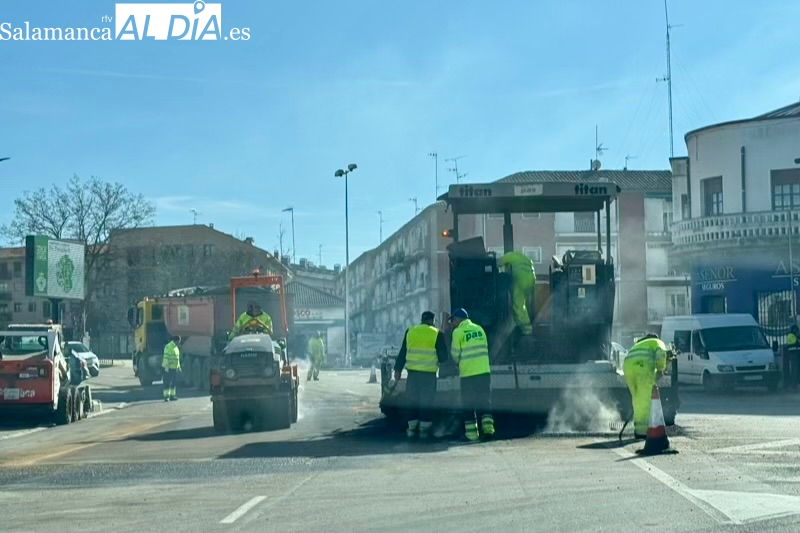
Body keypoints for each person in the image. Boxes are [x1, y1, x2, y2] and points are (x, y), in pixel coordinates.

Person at [394, 311, 449, 439]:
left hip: (412, 375)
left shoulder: (410, 331)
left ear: (422, 320)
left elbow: (402, 353)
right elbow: (443, 358)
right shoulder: (437, 333)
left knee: (412, 400)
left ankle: (412, 428)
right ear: (433, 320)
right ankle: (424, 430)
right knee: (427, 402)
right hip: (429, 376)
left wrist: (397, 371)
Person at [449, 308, 495, 442]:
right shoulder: (479, 329)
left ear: (458, 319)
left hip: (468, 374)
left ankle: (471, 435)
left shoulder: (458, 332)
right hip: (484, 372)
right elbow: (485, 348)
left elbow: (455, 353)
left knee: (468, 404)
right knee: (485, 401)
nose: (452, 323)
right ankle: (488, 431)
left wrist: (457, 364)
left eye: (452, 320)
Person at [623, 333, 668, 439]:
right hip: (642, 367)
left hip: (627, 368)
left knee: (637, 400)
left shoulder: (638, 344)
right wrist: (660, 368)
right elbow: (661, 354)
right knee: (645, 400)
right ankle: (643, 432)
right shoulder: (657, 342)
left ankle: (639, 430)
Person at [498, 251, 536, 335]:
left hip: (520, 279)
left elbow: (498, 263)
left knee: (518, 305)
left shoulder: (509, 256)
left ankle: (527, 329)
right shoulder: (524, 258)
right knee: (521, 302)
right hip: (530, 280)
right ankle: (518, 325)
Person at [162, 335, 182, 402]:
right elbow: (166, 357)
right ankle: (166, 397)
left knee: (173, 383)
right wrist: (166, 367)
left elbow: (177, 358)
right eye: (179, 341)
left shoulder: (176, 347)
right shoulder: (168, 347)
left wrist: (178, 367)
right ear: (175, 340)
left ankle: (172, 396)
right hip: (169, 368)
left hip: (174, 368)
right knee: (167, 383)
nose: (179, 343)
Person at [785, 325, 800, 389]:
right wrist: (798, 338)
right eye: (796, 330)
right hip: (793, 354)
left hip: (796, 354)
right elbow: (795, 343)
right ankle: (794, 384)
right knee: (794, 369)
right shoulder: (791, 335)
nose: (797, 331)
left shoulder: (794, 336)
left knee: (796, 369)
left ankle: (796, 383)